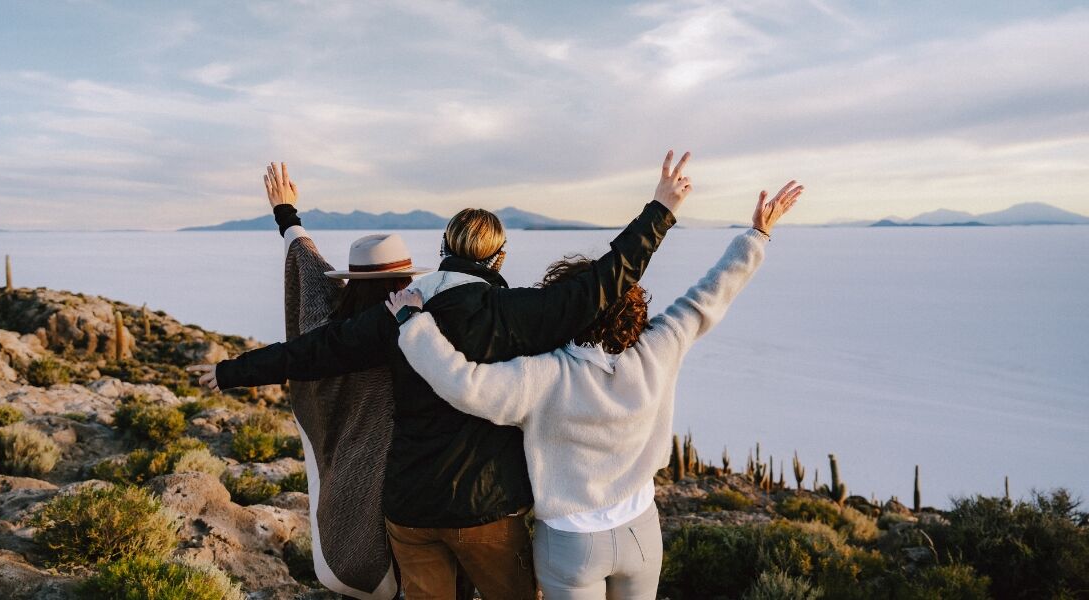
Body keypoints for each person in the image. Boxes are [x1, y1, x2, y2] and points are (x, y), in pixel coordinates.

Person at [191, 151, 694, 599]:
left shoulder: (397, 312)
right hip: (487, 511)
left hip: (410, 511)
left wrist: (230, 372)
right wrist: (661, 210)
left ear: (443, 248)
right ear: (499, 256)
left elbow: (311, 351)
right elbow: (605, 280)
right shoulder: (514, 313)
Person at [387, 180, 803, 598]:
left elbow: (463, 384)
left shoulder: (542, 376)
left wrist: (414, 326)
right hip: (639, 529)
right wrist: (757, 236)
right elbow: (710, 295)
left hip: (570, 542)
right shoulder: (660, 348)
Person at [191, 163, 431, 599]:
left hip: (350, 457)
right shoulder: (422, 326)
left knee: (358, 530)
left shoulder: (330, 325)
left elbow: (308, 267)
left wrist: (287, 214)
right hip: (413, 466)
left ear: (353, 280)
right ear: (405, 279)